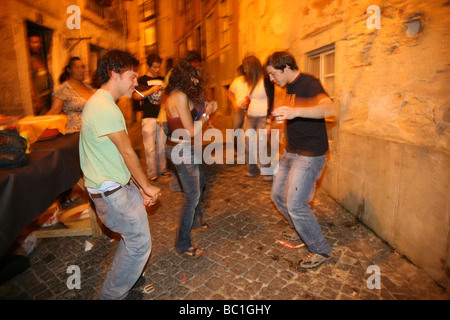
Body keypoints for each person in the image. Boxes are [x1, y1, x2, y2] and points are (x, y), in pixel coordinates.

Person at [79, 49, 161, 299]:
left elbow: (115, 155)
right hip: (112, 193)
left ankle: (128, 277)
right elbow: (127, 153)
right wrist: (147, 186)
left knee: (132, 240)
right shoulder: (104, 107)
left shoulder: (102, 103)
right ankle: (111, 295)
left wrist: (136, 187)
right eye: (132, 76)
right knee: (138, 244)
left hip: (116, 187)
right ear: (114, 74)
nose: (136, 82)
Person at [266, 50, 336, 269]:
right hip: (291, 152)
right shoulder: (289, 88)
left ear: (286, 68)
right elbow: (294, 115)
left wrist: (296, 113)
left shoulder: (309, 82)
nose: (271, 79)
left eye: (273, 74)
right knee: (277, 195)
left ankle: (321, 250)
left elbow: (329, 108)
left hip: (309, 154)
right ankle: (299, 228)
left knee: (296, 205)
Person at [164, 59, 217, 259]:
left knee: (200, 181)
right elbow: (191, 130)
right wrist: (206, 116)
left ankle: (196, 221)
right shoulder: (179, 96)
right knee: (191, 195)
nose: (196, 81)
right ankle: (182, 244)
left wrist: (204, 112)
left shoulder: (178, 94)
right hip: (180, 149)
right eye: (194, 77)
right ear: (187, 77)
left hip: (181, 146)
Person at [133, 54, 168, 181]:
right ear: (148, 66)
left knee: (162, 146)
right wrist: (152, 90)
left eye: (159, 67)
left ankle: (163, 169)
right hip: (148, 116)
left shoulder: (163, 79)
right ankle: (152, 172)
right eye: (154, 67)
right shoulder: (142, 80)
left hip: (162, 117)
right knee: (149, 147)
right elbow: (136, 97)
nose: (157, 69)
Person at [241, 55, 273, 179]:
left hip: (263, 118)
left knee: (261, 146)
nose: (245, 70)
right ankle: (252, 170)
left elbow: (273, 100)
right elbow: (250, 100)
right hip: (250, 117)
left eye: (246, 67)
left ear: (253, 67)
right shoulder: (251, 82)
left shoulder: (266, 80)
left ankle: (267, 172)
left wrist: (269, 120)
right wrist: (245, 113)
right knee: (248, 145)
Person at [47, 57, 94, 133]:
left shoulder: (88, 86)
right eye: (77, 68)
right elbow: (54, 111)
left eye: (82, 67)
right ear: (69, 70)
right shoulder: (64, 89)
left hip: (93, 130)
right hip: (75, 133)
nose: (81, 70)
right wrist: (40, 125)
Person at [28, 32, 53, 115]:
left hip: (46, 95)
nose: (37, 45)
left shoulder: (38, 57)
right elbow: (28, 81)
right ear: (27, 43)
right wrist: (36, 99)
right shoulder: (27, 59)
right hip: (38, 98)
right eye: (34, 42)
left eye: (39, 42)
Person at [228, 64, 249, 131]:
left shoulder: (253, 81)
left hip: (250, 109)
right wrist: (234, 103)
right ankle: (236, 141)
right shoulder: (237, 81)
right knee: (236, 129)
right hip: (239, 109)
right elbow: (229, 92)